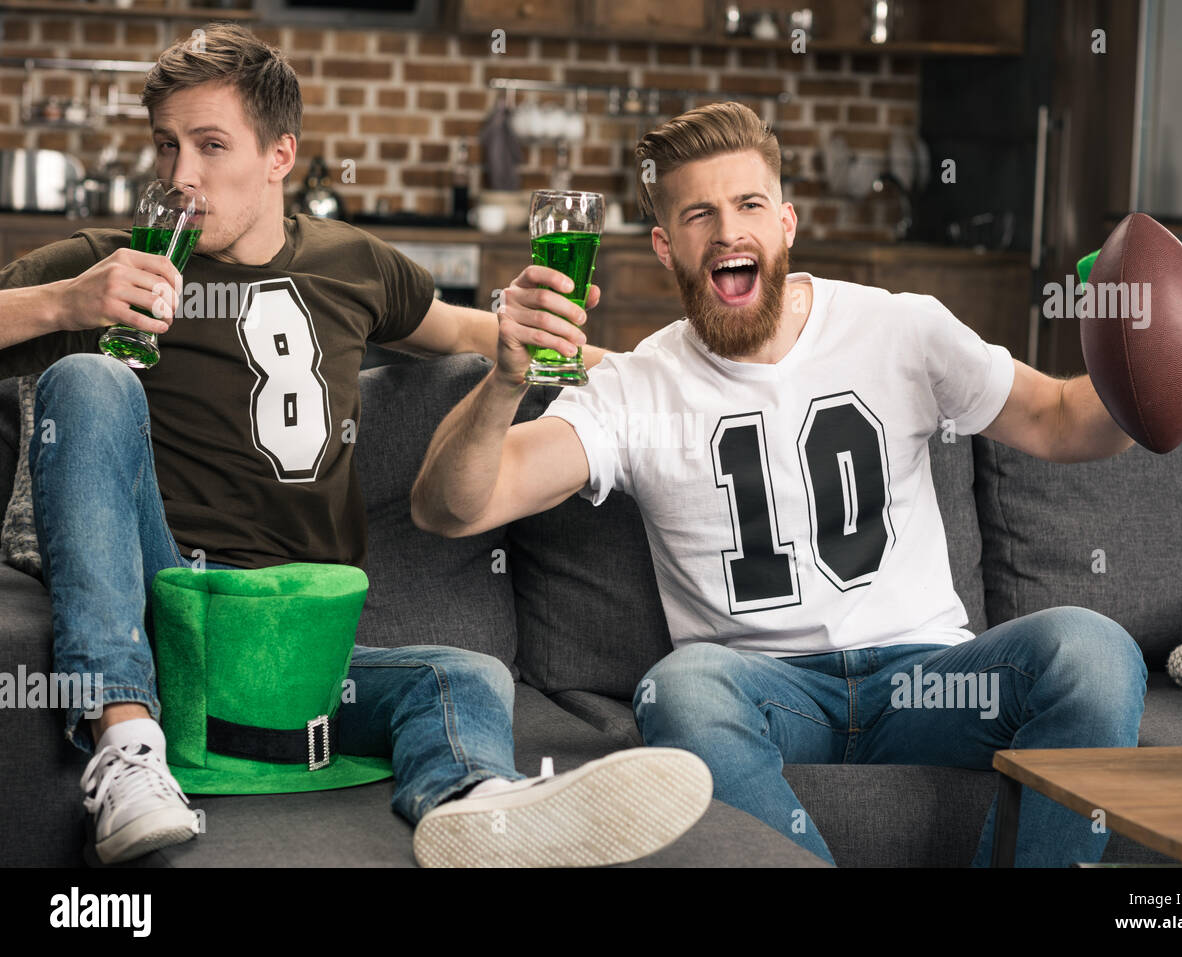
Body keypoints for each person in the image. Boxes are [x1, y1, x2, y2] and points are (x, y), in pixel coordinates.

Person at [410, 101, 1182, 867]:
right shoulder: (635, 385)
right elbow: (455, 504)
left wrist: (1180, 364)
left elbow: (1060, 418)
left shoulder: (901, 328)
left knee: (1094, 651)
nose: (727, 230)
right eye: (698, 214)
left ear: (786, 223)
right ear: (665, 246)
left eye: (748, 206)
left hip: (932, 679)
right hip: (764, 691)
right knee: (680, 686)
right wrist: (506, 379)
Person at [0, 23, 711, 868]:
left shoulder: (352, 263)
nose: (178, 174)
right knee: (88, 380)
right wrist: (67, 306)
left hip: (306, 645)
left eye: (210, 144)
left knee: (467, 674)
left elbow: (470, 331)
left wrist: (653, 375)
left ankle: (479, 805)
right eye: (166, 145)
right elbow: (65, 331)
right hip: (172, 603)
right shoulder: (104, 266)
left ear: (279, 155)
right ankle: (125, 747)